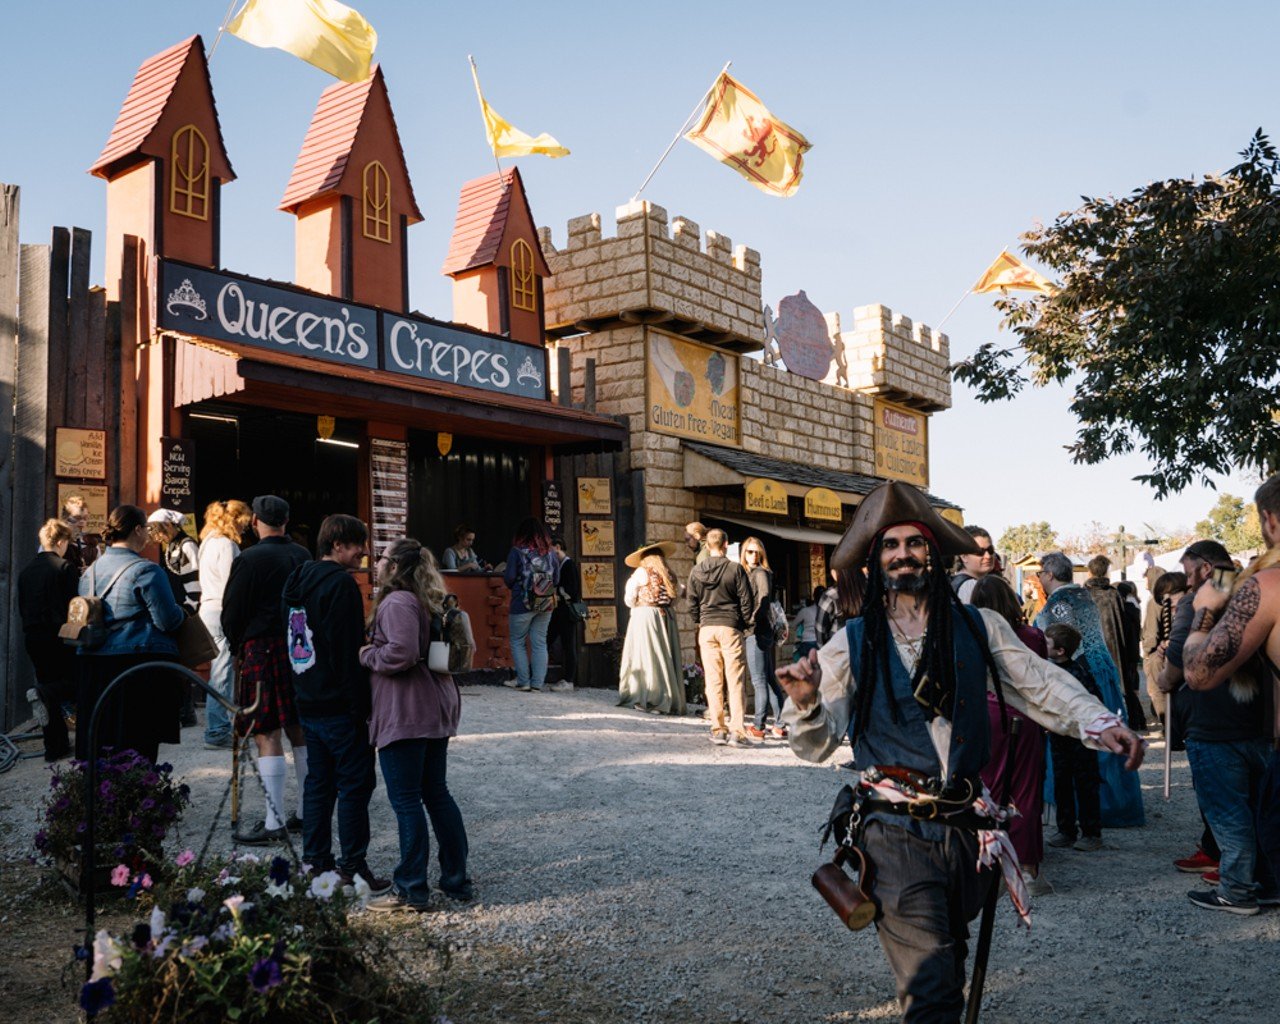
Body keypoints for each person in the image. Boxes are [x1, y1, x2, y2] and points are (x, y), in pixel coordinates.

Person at [776, 482, 1145, 1023]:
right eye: (891, 545)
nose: (903, 553)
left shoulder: (979, 625)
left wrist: (1100, 722)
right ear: (877, 560)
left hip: (966, 831)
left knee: (950, 958)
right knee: (932, 992)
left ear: (933, 554)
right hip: (893, 834)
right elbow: (816, 744)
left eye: (915, 543)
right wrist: (806, 701)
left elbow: (1040, 683)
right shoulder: (850, 642)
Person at [1162, 537, 1273, 913]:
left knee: (1229, 814)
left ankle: (1237, 891)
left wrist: (1164, 678)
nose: (1185, 578)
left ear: (1205, 567)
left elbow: (1181, 657)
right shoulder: (1251, 585)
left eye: (1187, 569)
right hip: (1255, 720)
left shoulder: (1204, 599)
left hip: (1214, 724)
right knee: (1259, 809)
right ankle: (1268, 882)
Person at [1184, 476, 1280, 911]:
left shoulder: (1269, 586)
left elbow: (1197, 673)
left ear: (1270, 521)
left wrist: (1203, 612)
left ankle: (1239, 890)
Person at [361, 538, 472, 912]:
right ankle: (456, 880)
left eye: (382, 558)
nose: (376, 563)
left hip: (407, 709)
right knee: (436, 794)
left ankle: (411, 888)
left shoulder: (396, 602)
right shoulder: (428, 599)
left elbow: (402, 653)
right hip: (434, 705)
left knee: (406, 799)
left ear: (395, 567)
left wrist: (365, 654)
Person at [282, 513, 389, 894]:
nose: (363, 551)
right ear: (337, 545)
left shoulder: (296, 582)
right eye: (357, 543)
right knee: (356, 784)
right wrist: (362, 706)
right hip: (339, 704)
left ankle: (316, 862)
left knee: (318, 784)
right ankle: (352, 868)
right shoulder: (341, 586)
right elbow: (348, 653)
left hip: (307, 697)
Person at [221, 495, 312, 845]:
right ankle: (306, 812)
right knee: (299, 728)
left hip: (261, 648)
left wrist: (237, 646)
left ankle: (275, 822)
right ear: (285, 522)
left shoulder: (249, 558)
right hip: (298, 646)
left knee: (266, 731)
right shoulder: (302, 556)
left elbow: (232, 614)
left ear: (256, 521)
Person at [1035, 551, 1145, 827]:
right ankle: (1116, 806)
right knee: (1109, 739)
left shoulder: (1059, 604)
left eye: (1039, 573)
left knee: (1088, 745)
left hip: (1081, 678)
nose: (1039, 579)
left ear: (1049, 574)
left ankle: (1093, 812)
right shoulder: (1083, 596)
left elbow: (1066, 645)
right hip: (1103, 672)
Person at [74, 505, 186, 764]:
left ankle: (100, 798)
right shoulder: (146, 570)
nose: (148, 535)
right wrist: (182, 614)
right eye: (146, 529)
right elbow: (167, 621)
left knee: (102, 741)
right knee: (137, 743)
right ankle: (137, 799)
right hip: (136, 665)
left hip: (94, 665)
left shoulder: (89, 572)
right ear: (137, 530)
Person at [969, 574, 1050, 895]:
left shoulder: (970, 635)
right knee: (1027, 791)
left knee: (986, 789)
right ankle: (1026, 868)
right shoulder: (1033, 636)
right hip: (1025, 717)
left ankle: (987, 862)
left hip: (985, 715)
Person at [18, 519, 79, 761]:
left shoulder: (26, 572)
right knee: (74, 684)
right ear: (62, 542)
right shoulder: (64, 567)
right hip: (59, 635)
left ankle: (55, 747)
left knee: (47, 687)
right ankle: (44, 694)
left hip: (33, 636)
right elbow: (74, 607)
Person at [688, 528, 755, 747]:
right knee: (735, 681)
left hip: (707, 627)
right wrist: (743, 624)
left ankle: (718, 730)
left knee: (713, 680)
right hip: (730, 626)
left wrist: (699, 620)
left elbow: (691, 602)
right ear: (726, 544)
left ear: (707, 546)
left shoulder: (696, 571)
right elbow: (747, 601)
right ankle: (738, 731)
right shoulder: (735, 569)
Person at [1042, 623, 1105, 853]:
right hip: (1060, 737)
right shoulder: (1048, 670)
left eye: (1047, 642)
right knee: (1062, 784)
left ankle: (1091, 832)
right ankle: (1066, 830)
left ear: (1060, 650)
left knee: (1085, 784)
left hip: (1081, 739)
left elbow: (1091, 701)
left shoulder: (1078, 673)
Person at [148, 509, 202, 728]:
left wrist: (185, 613)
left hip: (184, 613)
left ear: (168, 527)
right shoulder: (170, 546)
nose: (155, 536)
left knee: (181, 665)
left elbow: (195, 588)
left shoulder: (187, 546)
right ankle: (181, 711)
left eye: (157, 531)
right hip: (175, 610)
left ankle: (186, 712)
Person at [618, 541, 685, 715]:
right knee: (664, 656)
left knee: (645, 656)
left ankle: (648, 697)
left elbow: (629, 598)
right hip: (666, 616)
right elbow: (676, 598)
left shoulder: (641, 573)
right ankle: (665, 698)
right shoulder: (670, 574)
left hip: (645, 615)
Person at [198, 501, 244, 750]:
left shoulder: (207, 542)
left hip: (207, 607)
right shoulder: (226, 544)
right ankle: (217, 730)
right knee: (222, 673)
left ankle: (218, 726)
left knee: (219, 671)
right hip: (221, 610)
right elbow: (232, 584)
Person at [1083, 555, 1146, 730]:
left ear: (1090, 571)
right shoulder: (1113, 594)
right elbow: (1123, 625)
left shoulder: (1085, 594)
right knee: (1118, 687)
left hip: (1091, 647)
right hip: (1114, 646)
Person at [502, 517, 562, 692]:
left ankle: (524, 681)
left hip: (522, 602)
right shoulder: (551, 553)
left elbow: (509, 578)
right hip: (546, 603)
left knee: (517, 640)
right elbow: (556, 579)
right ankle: (537, 684)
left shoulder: (517, 552)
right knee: (539, 642)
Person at [742, 536, 787, 740]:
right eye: (749, 551)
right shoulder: (760, 572)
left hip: (757, 631)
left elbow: (764, 599)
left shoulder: (760, 573)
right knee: (768, 679)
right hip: (764, 631)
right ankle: (780, 724)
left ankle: (759, 726)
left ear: (762, 554)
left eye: (756, 552)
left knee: (759, 681)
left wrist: (750, 621)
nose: (753, 555)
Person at [548, 534, 580, 693]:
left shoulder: (569, 565)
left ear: (557, 547)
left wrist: (557, 591)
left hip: (566, 610)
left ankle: (569, 680)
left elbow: (573, 590)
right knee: (546, 640)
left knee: (568, 645)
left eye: (550, 548)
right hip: (558, 610)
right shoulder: (559, 565)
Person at [814, 568, 865, 648]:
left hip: (837, 654)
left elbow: (820, 633)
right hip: (863, 652)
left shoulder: (830, 596)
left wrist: (826, 653)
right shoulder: (868, 592)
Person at [951, 525, 995, 603]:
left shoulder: (955, 581)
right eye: (979, 552)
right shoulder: (970, 586)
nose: (988, 556)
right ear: (963, 556)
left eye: (990, 550)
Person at [791, 587, 823, 661]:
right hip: (821, 643)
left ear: (814, 597)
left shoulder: (805, 611)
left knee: (806, 668)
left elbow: (793, 624)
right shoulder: (827, 610)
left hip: (807, 643)